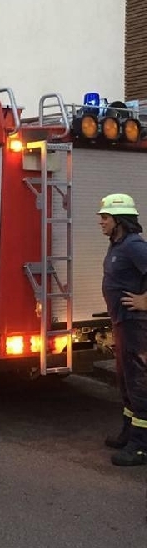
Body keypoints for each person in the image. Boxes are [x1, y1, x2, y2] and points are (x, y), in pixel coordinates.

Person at [97, 193, 147, 465]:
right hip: (123, 323)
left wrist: (145, 301)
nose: (101, 222)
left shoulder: (134, 246)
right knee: (126, 380)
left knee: (139, 381)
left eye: (105, 217)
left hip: (136, 326)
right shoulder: (117, 245)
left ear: (120, 220)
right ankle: (129, 433)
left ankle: (141, 447)